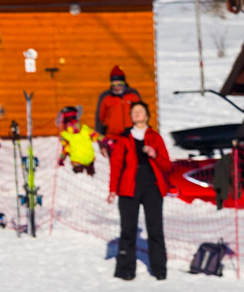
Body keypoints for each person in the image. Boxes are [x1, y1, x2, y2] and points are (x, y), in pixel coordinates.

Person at [105, 99, 170, 281]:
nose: (137, 114)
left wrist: (154, 154)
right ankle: (125, 271)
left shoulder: (155, 138)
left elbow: (166, 165)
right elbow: (116, 165)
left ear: (147, 116)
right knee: (128, 230)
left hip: (152, 188)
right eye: (134, 112)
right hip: (128, 188)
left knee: (155, 229)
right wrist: (112, 189)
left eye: (140, 111)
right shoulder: (123, 139)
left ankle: (159, 269)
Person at [93, 65, 145, 139]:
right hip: (112, 136)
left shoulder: (133, 94)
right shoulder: (105, 96)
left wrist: (142, 131)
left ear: (124, 82)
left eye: (119, 84)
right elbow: (100, 118)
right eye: (114, 84)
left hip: (131, 135)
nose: (116, 87)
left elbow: (142, 113)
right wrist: (99, 136)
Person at [55, 105, 96, 176]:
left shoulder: (65, 135)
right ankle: (89, 172)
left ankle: (85, 173)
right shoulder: (84, 129)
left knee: (81, 176)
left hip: (78, 162)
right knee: (87, 176)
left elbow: (65, 149)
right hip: (89, 160)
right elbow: (97, 136)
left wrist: (61, 160)